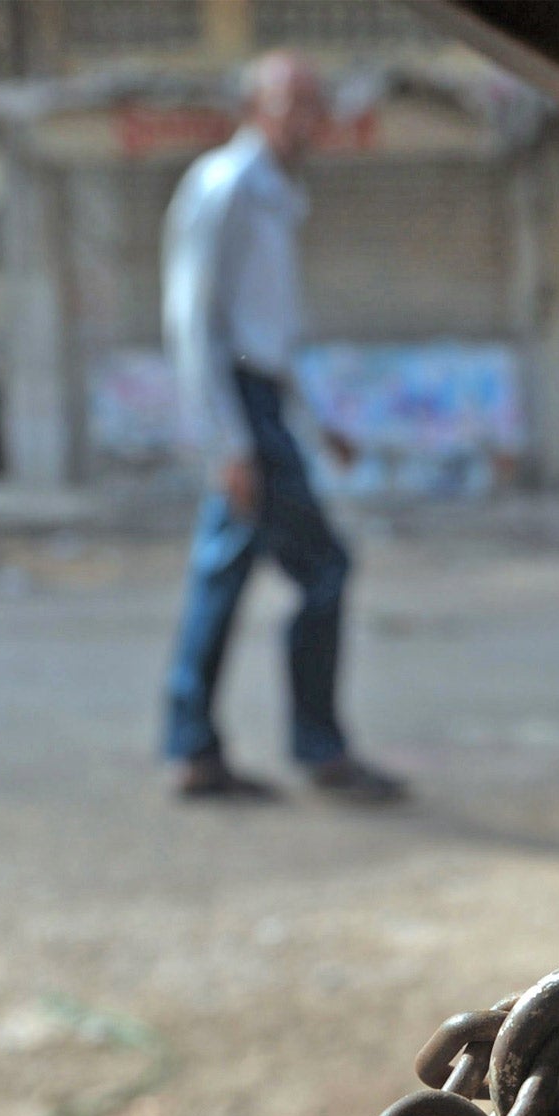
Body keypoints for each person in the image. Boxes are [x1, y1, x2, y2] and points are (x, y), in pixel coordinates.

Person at [160, 50, 404, 804]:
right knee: (322, 568)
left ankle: (195, 747)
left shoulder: (275, 196)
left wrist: (317, 420)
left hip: (263, 399)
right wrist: (229, 443)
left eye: (314, 104)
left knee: (224, 575)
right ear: (255, 107)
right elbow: (193, 322)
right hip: (242, 408)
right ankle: (318, 748)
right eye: (290, 102)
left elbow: (266, 334)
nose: (305, 118)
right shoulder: (225, 186)